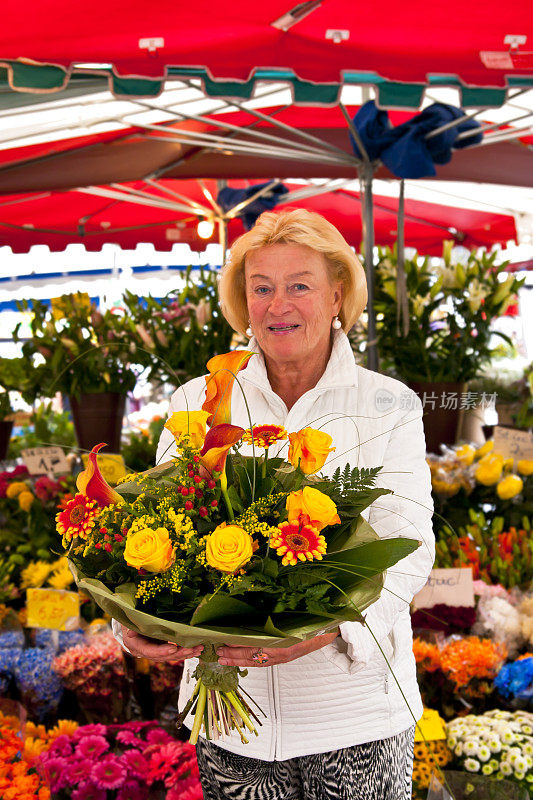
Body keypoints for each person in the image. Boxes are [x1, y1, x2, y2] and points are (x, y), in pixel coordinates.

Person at [115, 209, 434, 799]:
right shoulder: (200, 398)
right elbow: (152, 524)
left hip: (355, 712)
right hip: (231, 717)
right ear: (243, 301)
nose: (277, 304)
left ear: (338, 295)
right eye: (261, 287)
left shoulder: (388, 403)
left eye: (299, 286)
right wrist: (132, 621)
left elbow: (408, 543)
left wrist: (333, 630)